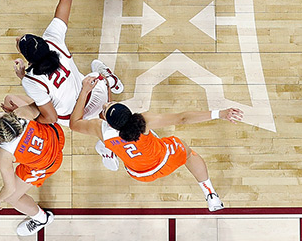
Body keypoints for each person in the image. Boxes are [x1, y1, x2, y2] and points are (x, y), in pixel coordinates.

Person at [4, 0, 125, 171]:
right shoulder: (53, 40)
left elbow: (49, 118)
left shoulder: (31, 80)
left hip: (73, 115)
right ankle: (107, 78)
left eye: (20, 42)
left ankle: (105, 144)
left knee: (84, 117)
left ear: (28, 59)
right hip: (94, 92)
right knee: (101, 90)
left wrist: (31, 112)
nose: (20, 37)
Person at [70, 75, 244, 211]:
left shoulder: (100, 129)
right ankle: (210, 194)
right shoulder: (143, 121)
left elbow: (74, 123)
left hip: (139, 174)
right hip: (164, 160)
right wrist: (219, 114)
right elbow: (182, 118)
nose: (106, 103)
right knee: (187, 152)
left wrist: (84, 91)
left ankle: (108, 151)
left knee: (110, 144)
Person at [0, 105, 64, 236]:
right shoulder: (21, 113)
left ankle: (42, 219)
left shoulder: (3, 153)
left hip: (48, 164)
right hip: (56, 137)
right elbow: (40, 105)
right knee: (10, 99)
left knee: (12, 198)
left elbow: (10, 188)